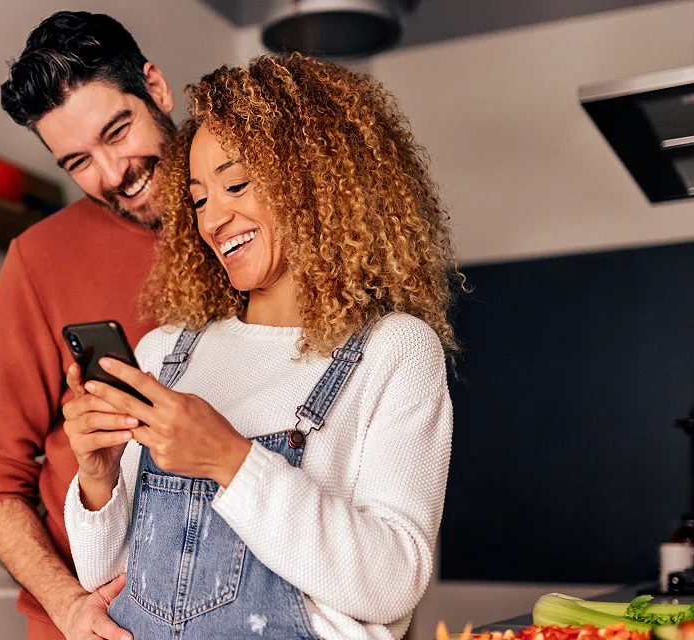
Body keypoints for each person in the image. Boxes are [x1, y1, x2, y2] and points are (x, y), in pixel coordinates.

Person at [62, 53, 457, 640]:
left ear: (316, 179)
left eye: (236, 184)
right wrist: (99, 480)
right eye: (197, 199)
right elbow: (115, 584)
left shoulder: (395, 351)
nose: (212, 219)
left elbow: (393, 581)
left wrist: (230, 460)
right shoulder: (165, 354)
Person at [0, 11, 177, 640]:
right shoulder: (38, 259)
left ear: (155, 89)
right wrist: (68, 604)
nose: (113, 175)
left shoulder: (250, 224)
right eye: (78, 160)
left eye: (118, 131)